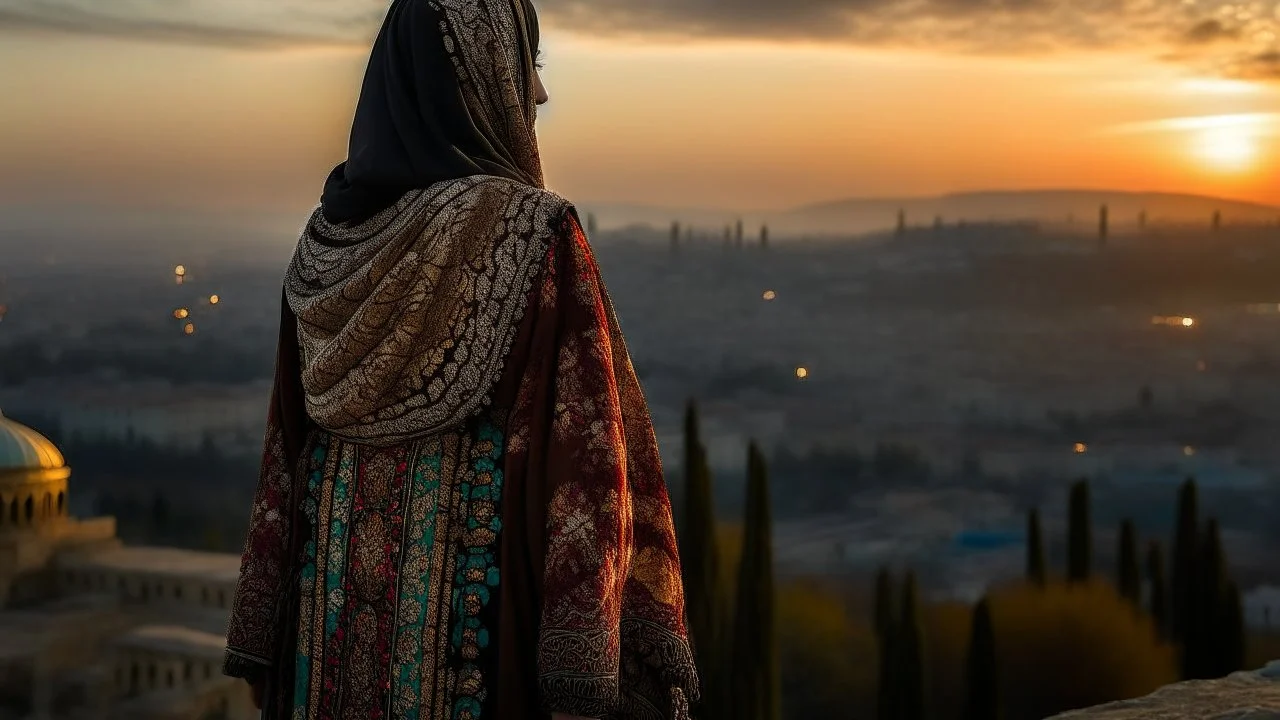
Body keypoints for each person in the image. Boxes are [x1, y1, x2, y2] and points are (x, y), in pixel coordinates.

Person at [220, 0, 700, 718]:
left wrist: (260, 645)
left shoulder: (323, 251)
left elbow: (281, 465)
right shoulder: (538, 235)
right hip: (486, 661)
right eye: (527, 66)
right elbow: (588, 479)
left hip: (321, 663)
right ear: (477, 76)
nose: (538, 95)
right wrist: (584, 680)